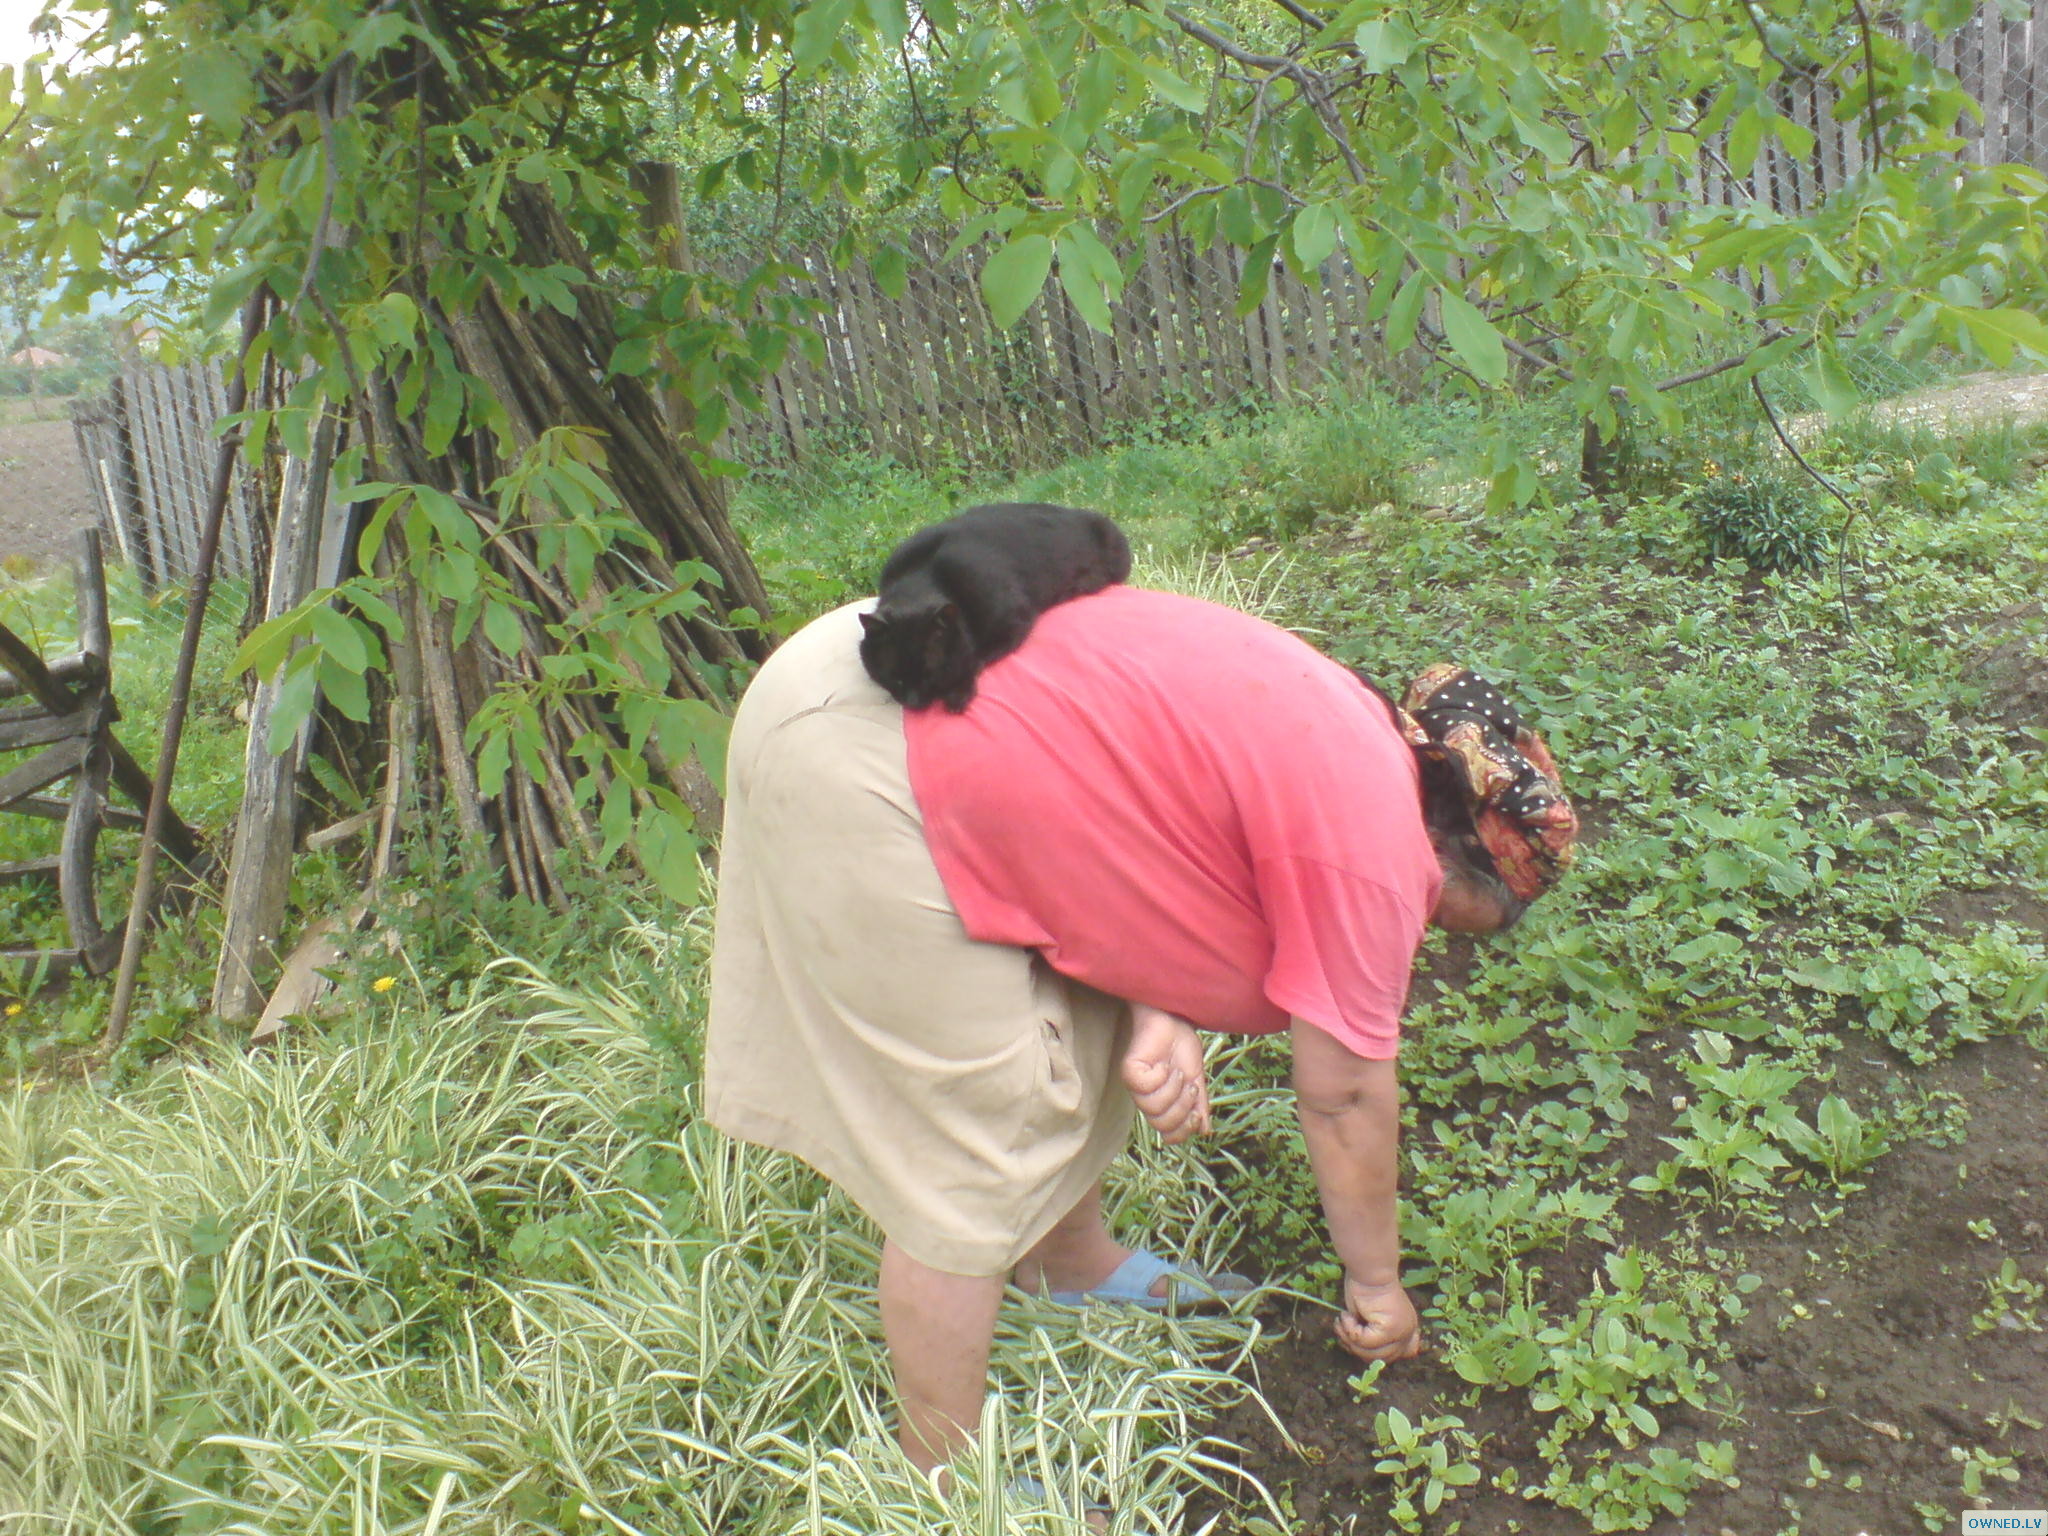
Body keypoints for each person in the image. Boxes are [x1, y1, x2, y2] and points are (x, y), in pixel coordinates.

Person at [705, 582, 1575, 1486]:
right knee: (977, 1138)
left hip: (902, 678)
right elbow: (1346, 1095)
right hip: (867, 752)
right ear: (1470, 860)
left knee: (1078, 1034)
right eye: (1456, 918)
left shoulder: (1356, 729)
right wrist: (1377, 1288)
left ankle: (1066, 1261)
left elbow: (1150, 817)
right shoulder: (1380, 854)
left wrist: (1161, 1005)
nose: (1428, 931)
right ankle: (942, 1477)